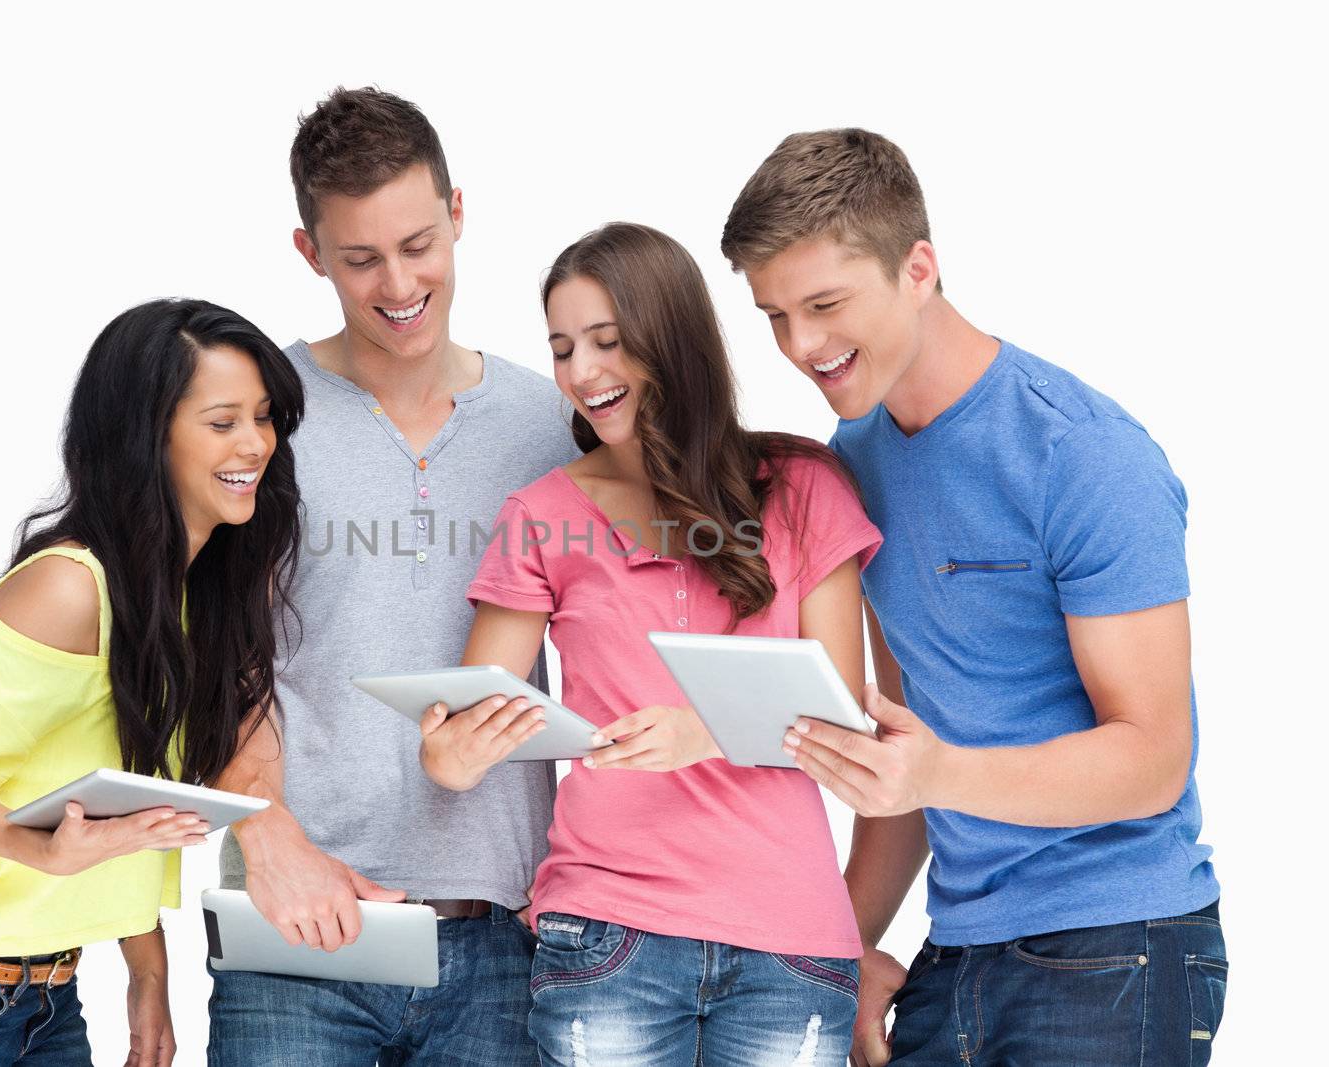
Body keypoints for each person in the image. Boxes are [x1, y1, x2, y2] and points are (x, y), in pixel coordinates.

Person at [721, 128, 1225, 1066]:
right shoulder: (859, 463)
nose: (802, 345)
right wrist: (843, 949)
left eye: (826, 304)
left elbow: (1154, 757)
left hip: (1119, 943)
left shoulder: (1082, 455)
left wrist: (936, 773)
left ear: (919, 267)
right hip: (957, 946)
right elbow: (908, 739)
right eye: (775, 315)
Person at [422, 222, 881, 1066]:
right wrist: (451, 755)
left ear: (671, 339)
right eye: (563, 348)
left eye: (607, 340)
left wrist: (703, 730)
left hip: (791, 939)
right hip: (607, 933)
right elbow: (475, 717)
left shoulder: (803, 486)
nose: (582, 372)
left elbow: (846, 713)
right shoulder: (544, 514)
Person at [0, 299, 304, 1067]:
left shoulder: (194, 596)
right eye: (222, 422)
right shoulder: (70, 588)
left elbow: (128, 802)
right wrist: (40, 850)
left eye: (265, 416)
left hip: (48, 998)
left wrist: (148, 972)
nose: (256, 443)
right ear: (149, 436)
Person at [207, 87, 577, 1065]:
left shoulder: (553, 424)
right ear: (309, 251)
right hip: (295, 920)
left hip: (504, 928)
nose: (398, 281)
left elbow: (616, 648)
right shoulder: (256, 418)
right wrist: (269, 837)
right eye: (361, 257)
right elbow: (204, 650)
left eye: (419, 244)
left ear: (459, 213)